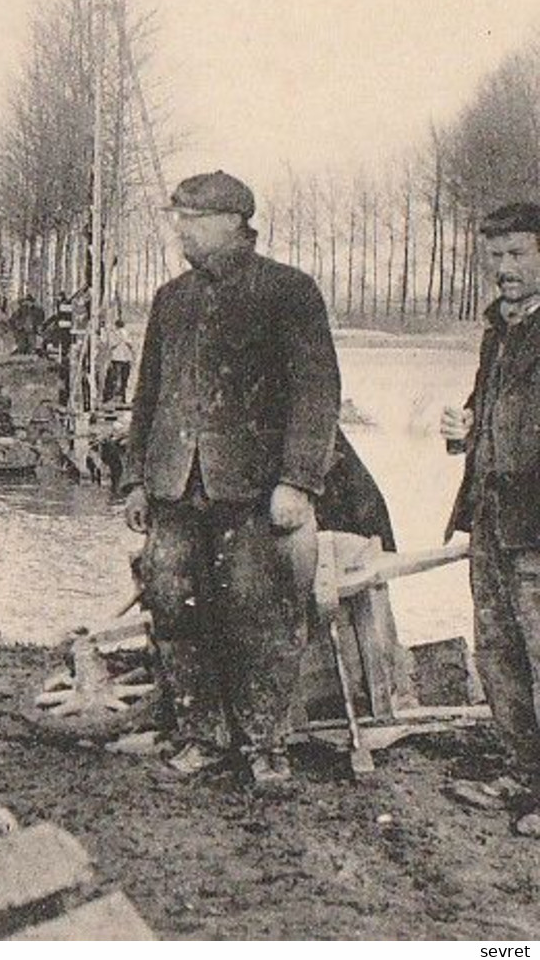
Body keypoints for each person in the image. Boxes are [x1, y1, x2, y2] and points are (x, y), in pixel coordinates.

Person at [122, 171, 340, 786]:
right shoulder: (171, 299)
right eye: (178, 217)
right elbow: (149, 398)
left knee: (261, 614)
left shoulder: (289, 292)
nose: (179, 230)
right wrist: (137, 479)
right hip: (175, 486)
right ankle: (202, 737)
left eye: (189, 218)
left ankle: (266, 745)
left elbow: (317, 394)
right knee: (175, 609)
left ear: (231, 222)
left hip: (254, 490)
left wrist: (298, 480)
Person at [443, 201, 540, 837]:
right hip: (493, 520)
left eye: (517, 255)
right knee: (499, 653)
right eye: (495, 255)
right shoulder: (497, 332)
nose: (503, 268)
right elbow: (486, 412)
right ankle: (524, 774)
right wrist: (463, 431)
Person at [104, 318, 136, 405]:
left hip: (117, 358)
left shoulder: (114, 334)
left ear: (116, 326)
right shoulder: (127, 333)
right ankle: (122, 397)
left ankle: (114, 397)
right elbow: (131, 345)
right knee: (124, 379)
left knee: (115, 378)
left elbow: (111, 345)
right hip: (126, 358)